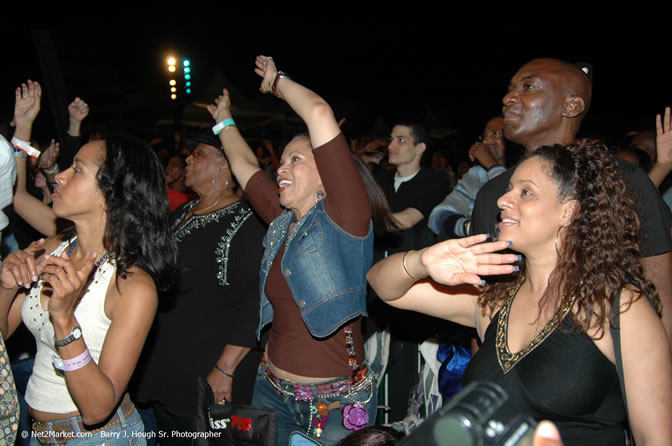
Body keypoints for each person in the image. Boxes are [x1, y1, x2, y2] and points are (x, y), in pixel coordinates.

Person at [368, 141, 672, 444]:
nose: (503, 200)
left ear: (570, 211)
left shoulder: (617, 306)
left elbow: (655, 438)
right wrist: (422, 262)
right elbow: (384, 286)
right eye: (509, 188)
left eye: (525, 192)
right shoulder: (495, 300)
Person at [206, 56, 387, 446]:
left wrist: (276, 82)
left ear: (328, 175)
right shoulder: (281, 219)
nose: (281, 167)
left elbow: (319, 111)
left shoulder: (346, 217)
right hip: (270, 391)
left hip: (337, 404)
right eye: (281, 159)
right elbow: (242, 164)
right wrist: (224, 119)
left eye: (296, 159)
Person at [0, 81, 177, 444]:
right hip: (36, 435)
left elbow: (98, 407)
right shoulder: (51, 249)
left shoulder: (132, 285)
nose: (59, 176)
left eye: (76, 169)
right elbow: (2, 336)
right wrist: (5, 287)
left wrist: (64, 320)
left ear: (110, 195)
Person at [470, 58, 672, 346]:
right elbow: (483, 304)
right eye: (510, 88)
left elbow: (660, 290)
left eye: (528, 87)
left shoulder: (625, 180)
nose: (508, 98)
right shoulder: (494, 194)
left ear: (571, 106)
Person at [132, 133, 266, 444]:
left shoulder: (249, 221)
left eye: (199, 153)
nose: (189, 159)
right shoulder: (181, 214)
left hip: (210, 372)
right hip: (169, 368)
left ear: (225, 165)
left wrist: (226, 368)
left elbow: (256, 299)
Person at [428, 116, 507, 239]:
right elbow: (438, 216)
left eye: (497, 133)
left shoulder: (527, 170)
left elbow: (509, 205)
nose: (486, 141)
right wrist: (470, 227)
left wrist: (492, 166)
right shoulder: (476, 175)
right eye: (484, 135)